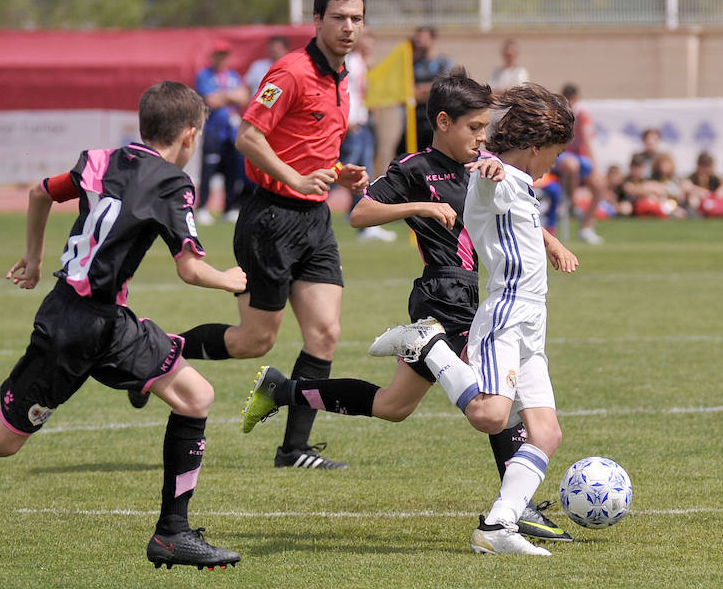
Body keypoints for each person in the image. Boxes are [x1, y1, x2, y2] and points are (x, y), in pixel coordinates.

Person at [0, 81, 245, 571]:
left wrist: (33, 259)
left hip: (102, 321)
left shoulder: (98, 159)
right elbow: (190, 269)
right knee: (4, 440)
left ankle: (172, 533)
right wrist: (230, 279)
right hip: (75, 329)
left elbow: (40, 192)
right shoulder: (174, 183)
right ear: (189, 133)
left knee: (195, 397)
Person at [241, 73, 579, 548]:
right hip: (442, 295)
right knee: (495, 409)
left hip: (471, 294)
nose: (483, 138)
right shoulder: (419, 167)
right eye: (475, 128)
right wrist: (419, 206)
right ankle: (517, 512)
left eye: (486, 128)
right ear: (444, 122)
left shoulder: (480, 164)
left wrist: (551, 241)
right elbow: (360, 214)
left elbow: (511, 202)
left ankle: (286, 390)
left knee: (393, 406)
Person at [146, 0, 369, 471]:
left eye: (356, 18)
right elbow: (249, 137)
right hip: (270, 219)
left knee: (325, 335)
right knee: (256, 342)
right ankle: (152, 354)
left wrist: (338, 173)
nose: (349, 27)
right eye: (339, 17)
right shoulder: (289, 72)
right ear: (317, 21)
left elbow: (308, 149)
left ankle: (292, 450)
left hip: (314, 221)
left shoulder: (344, 73)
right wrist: (295, 177)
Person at [339, 30, 393, 242]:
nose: (369, 45)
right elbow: (345, 91)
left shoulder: (361, 62)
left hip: (361, 122)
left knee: (362, 172)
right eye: (367, 41)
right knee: (347, 171)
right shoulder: (350, 61)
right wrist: (348, 118)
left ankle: (365, 221)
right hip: (353, 124)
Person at [194, 40, 251, 225]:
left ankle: (230, 207)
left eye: (225, 55)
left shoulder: (233, 76)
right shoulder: (204, 75)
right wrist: (230, 96)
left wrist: (224, 95)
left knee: (233, 169)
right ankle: (203, 207)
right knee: (208, 170)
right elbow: (210, 100)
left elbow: (243, 97)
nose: (222, 59)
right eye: (219, 55)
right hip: (212, 130)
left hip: (231, 131)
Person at [553, 83, 606, 244]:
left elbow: (588, 140)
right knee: (572, 164)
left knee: (599, 184)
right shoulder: (556, 114)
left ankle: (587, 227)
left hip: (580, 159)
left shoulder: (582, 115)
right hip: (559, 158)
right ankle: (573, 203)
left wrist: (595, 168)